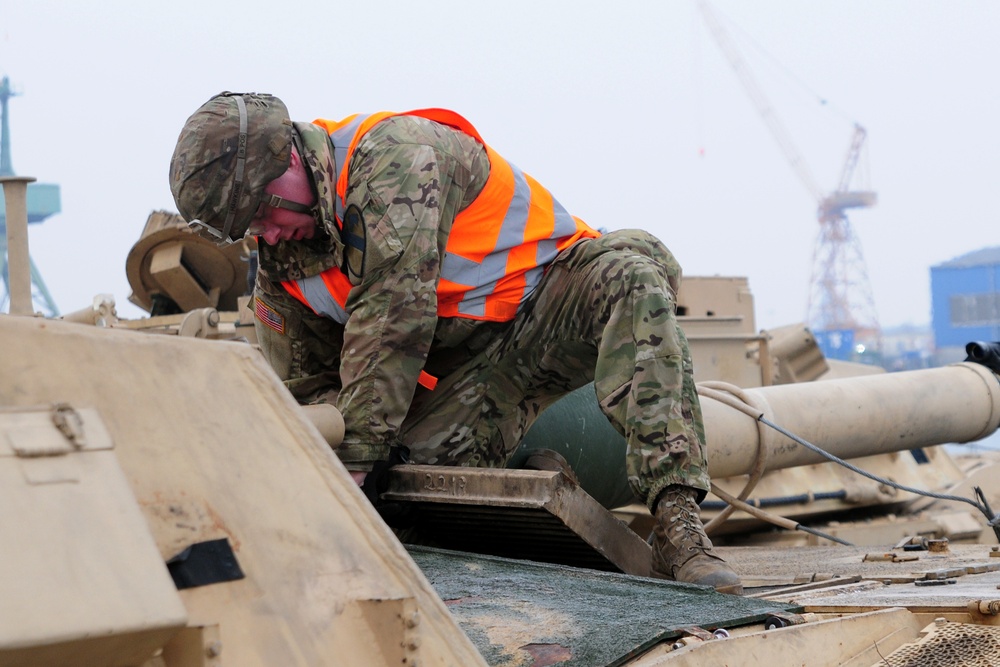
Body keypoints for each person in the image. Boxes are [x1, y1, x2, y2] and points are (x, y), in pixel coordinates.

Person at [169, 91, 742, 595]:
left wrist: (356, 466)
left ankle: (678, 522)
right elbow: (309, 391)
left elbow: (394, 318)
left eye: (263, 208)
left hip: (550, 302)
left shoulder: (392, 159)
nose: (265, 232)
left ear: (289, 157)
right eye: (247, 226)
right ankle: (531, 494)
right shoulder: (281, 268)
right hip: (470, 373)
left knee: (633, 280)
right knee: (417, 493)